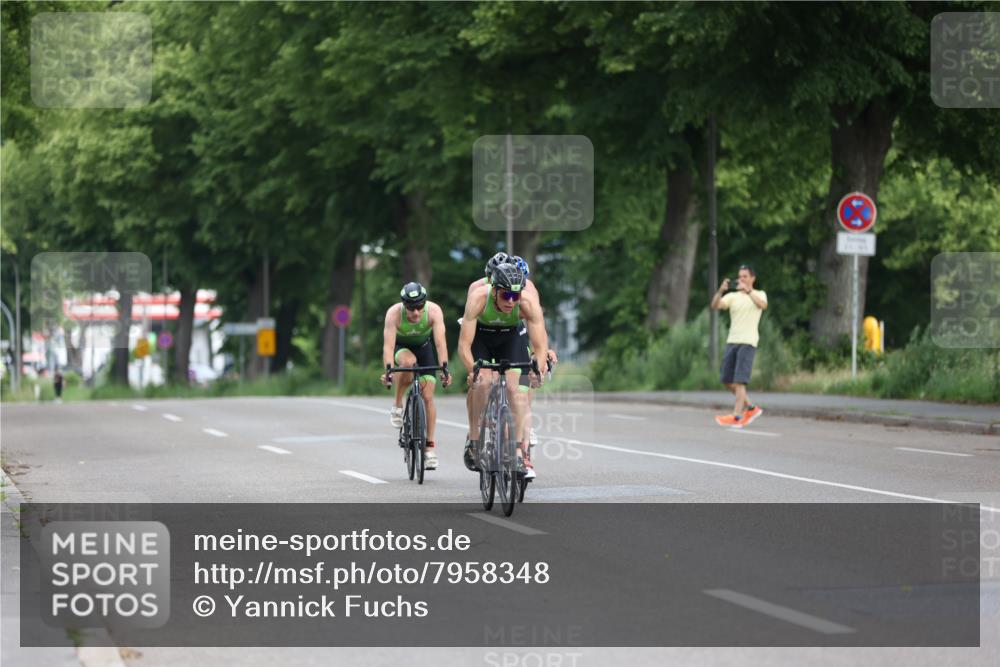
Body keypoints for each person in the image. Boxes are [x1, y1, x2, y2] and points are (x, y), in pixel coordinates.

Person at [458, 262, 549, 478]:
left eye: (515, 296)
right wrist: (473, 370)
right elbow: (463, 346)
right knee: (483, 382)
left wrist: (539, 369)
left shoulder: (526, 302)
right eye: (506, 295)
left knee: (516, 390)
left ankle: (518, 451)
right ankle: (474, 439)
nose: (511, 301)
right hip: (481, 337)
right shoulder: (479, 297)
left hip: (510, 337)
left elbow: (540, 343)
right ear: (495, 290)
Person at [379, 282, 451, 469]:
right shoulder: (394, 314)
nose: (416, 313)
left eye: (420, 307)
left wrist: (445, 368)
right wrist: (387, 371)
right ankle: (397, 404)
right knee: (408, 363)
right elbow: (388, 346)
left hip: (425, 350)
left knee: (428, 397)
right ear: (404, 305)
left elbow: (441, 344)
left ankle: (429, 448)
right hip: (401, 348)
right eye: (411, 308)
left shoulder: (434, 312)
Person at [710, 264, 767, 427]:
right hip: (732, 341)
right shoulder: (733, 297)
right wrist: (721, 291)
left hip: (748, 341)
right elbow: (715, 305)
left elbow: (763, 305)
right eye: (740, 276)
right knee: (727, 380)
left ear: (752, 278)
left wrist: (749, 291)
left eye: (745, 276)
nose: (741, 279)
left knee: (740, 381)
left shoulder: (759, 294)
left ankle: (736, 416)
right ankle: (751, 408)